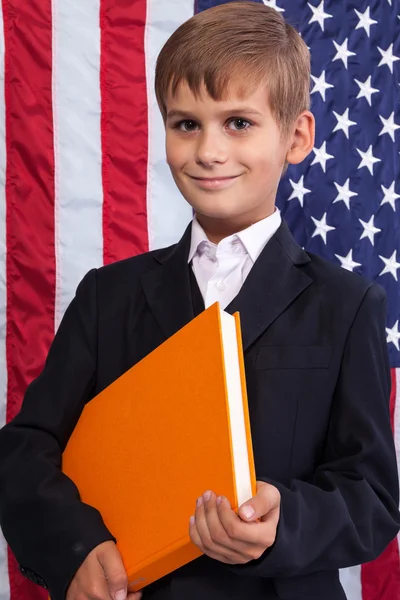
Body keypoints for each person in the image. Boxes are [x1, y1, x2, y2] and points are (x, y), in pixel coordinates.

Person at [0, 3, 399, 600]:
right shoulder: (108, 296)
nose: (208, 151)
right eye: (186, 124)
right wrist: (77, 548)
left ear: (296, 137)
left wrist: (283, 520)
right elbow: (26, 449)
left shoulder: (347, 305)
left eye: (238, 122)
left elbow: (370, 495)